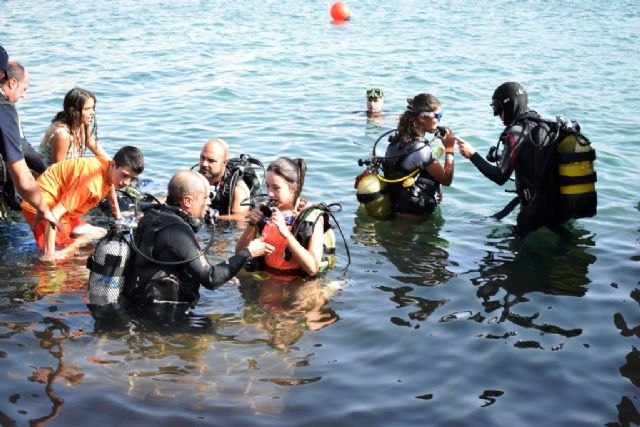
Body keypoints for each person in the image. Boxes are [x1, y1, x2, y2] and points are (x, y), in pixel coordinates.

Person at [123, 170, 273, 306]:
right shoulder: (177, 231)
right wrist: (248, 252)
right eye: (206, 198)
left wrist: (226, 270)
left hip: (138, 296)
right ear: (187, 201)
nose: (209, 203)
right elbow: (211, 279)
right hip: (160, 310)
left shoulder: (153, 215)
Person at [457, 82, 561, 235]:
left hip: (534, 211)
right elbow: (533, 159)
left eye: (498, 110)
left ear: (509, 106)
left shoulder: (515, 132)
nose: (497, 115)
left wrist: (472, 155)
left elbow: (500, 177)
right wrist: (501, 157)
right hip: (557, 203)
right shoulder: (543, 125)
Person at [20, 146, 144, 261]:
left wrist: (117, 215)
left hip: (60, 210)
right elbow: (53, 215)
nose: (127, 182)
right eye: (125, 176)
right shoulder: (89, 183)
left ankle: (72, 239)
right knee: (63, 260)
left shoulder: (106, 167)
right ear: (113, 164)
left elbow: (109, 186)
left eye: (133, 179)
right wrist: (50, 254)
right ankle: (64, 252)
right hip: (40, 209)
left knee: (100, 234)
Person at [236, 157, 327, 277]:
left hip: (300, 280)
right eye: (268, 186)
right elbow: (239, 255)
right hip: (271, 275)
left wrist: (285, 233)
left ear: (293, 188)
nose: (270, 193)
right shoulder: (265, 213)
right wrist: (251, 225)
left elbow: (312, 268)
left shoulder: (309, 217)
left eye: (276, 188)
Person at [40, 87, 121, 218]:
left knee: (108, 170)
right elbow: (58, 173)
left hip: (71, 175)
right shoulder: (62, 135)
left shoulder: (82, 124)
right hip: (52, 184)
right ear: (73, 111)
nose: (92, 113)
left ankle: (116, 213)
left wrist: (114, 164)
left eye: (93, 108)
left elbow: (91, 143)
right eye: (88, 109)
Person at [0, 57, 59, 229]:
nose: (23, 95)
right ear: (11, 83)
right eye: (23, 89)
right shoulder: (4, 111)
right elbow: (23, 178)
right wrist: (43, 208)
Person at [381, 93, 456, 218]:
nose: (439, 121)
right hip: (412, 217)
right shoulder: (421, 150)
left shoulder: (398, 139)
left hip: (396, 206)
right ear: (422, 117)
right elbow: (447, 179)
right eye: (437, 116)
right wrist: (449, 149)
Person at [198, 138, 252, 221]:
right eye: (202, 158)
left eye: (211, 161)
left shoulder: (238, 189)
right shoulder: (194, 179)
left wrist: (208, 218)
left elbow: (241, 219)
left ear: (224, 162)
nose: (204, 164)